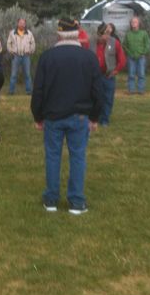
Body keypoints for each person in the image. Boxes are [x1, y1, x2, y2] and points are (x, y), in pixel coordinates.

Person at [31, 18, 103, 214]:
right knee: (78, 157)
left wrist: (37, 116)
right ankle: (77, 202)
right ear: (78, 33)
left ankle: (51, 200)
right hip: (80, 116)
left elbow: (38, 90)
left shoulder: (48, 57)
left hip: (53, 116)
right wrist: (95, 117)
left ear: (59, 34)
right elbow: (98, 90)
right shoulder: (88, 57)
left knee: (53, 157)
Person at [90, 22, 126, 126]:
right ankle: (94, 118)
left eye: (107, 34)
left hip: (108, 76)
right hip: (94, 76)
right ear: (98, 34)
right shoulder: (91, 42)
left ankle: (104, 120)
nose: (105, 37)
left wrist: (115, 71)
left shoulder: (115, 43)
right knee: (94, 97)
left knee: (108, 98)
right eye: (103, 34)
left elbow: (122, 60)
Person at [123, 16, 150, 95]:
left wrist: (143, 52)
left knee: (141, 74)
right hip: (131, 57)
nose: (133, 23)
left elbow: (148, 44)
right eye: (132, 22)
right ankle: (131, 90)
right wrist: (129, 52)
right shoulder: (128, 34)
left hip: (141, 57)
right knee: (131, 74)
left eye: (135, 22)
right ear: (130, 24)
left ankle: (141, 90)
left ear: (139, 23)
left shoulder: (144, 33)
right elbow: (124, 45)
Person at [6, 18, 36, 95]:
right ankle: (11, 91)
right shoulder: (12, 33)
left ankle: (29, 91)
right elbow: (8, 43)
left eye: (23, 23)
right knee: (13, 75)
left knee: (27, 74)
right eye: (20, 23)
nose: (22, 24)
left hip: (26, 56)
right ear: (17, 23)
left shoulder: (29, 33)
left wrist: (31, 51)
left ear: (25, 24)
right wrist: (11, 51)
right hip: (16, 56)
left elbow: (33, 43)